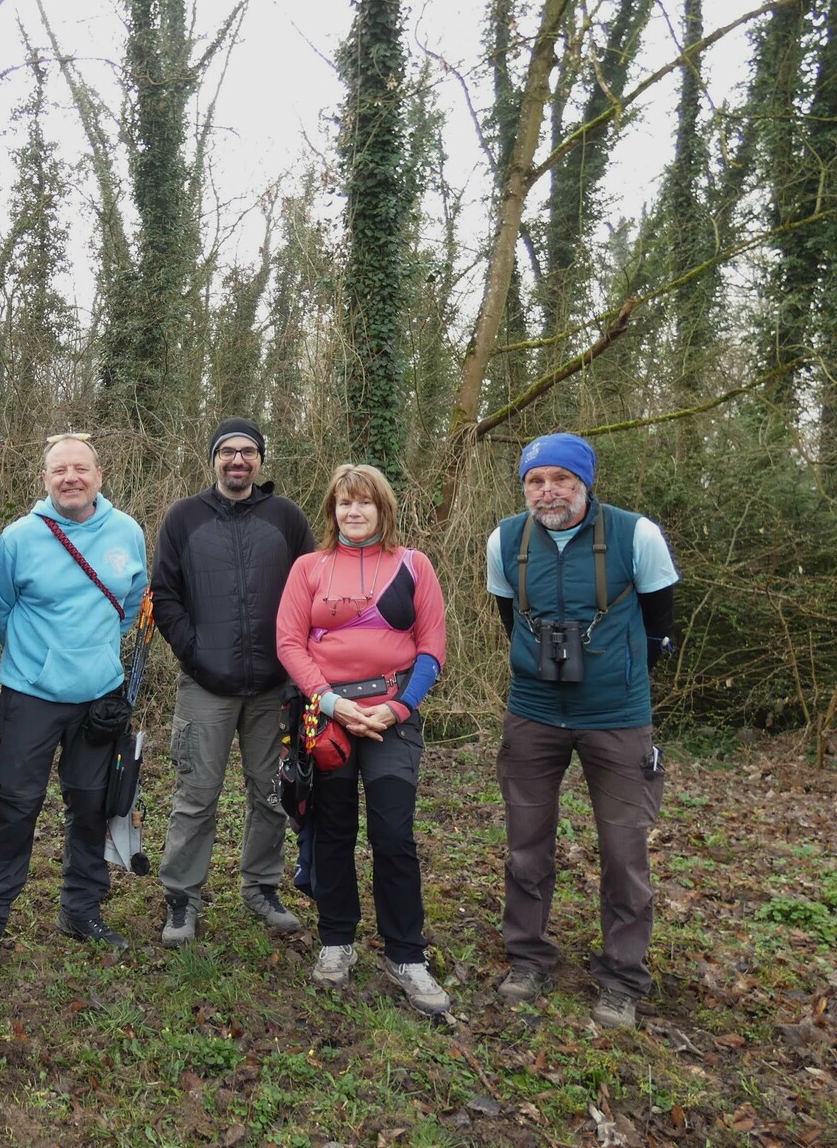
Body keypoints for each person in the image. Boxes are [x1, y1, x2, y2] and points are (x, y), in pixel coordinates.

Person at [486, 432, 677, 1030]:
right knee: (525, 844)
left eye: (561, 480)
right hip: (533, 712)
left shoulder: (636, 535)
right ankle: (527, 957)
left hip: (616, 717)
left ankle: (622, 977)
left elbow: (660, 628)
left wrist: (613, 677)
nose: (548, 492)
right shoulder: (505, 539)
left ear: (585, 483)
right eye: (535, 481)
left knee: (624, 853)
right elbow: (508, 618)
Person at [0, 432, 148, 972]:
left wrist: (97, 657)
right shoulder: (20, 538)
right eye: (59, 469)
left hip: (100, 697)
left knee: (91, 806)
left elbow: (132, 601)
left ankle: (81, 910)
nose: (71, 477)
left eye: (80, 468)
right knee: (15, 806)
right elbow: (0, 606)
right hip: (32, 695)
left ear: (98, 475)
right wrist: (38, 658)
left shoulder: (127, 532)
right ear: (44, 479)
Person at [276, 463, 451, 1015]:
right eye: (343, 503)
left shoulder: (414, 566)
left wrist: (397, 708)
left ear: (383, 508)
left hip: (391, 717)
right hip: (327, 715)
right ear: (331, 510)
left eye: (364, 503)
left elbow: (432, 649)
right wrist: (332, 702)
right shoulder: (309, 568)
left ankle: (406, 954)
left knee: (393, 833)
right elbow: (288, 642)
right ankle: (336, 941)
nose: (353, 512)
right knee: (332, 832)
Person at [154, 418, 315, 945]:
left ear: (261, 460)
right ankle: (182, 898)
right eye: (228, 452)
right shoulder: (184, 518)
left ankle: (262, 886)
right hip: (206, 686)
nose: (238, 461)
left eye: (248, 452)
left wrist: (297, 668)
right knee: (196, 795)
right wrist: (193, 653)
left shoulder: (286, 518)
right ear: (214, 459)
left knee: (270, 793)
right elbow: (166, 593)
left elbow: (311, 590)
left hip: (274, 687)